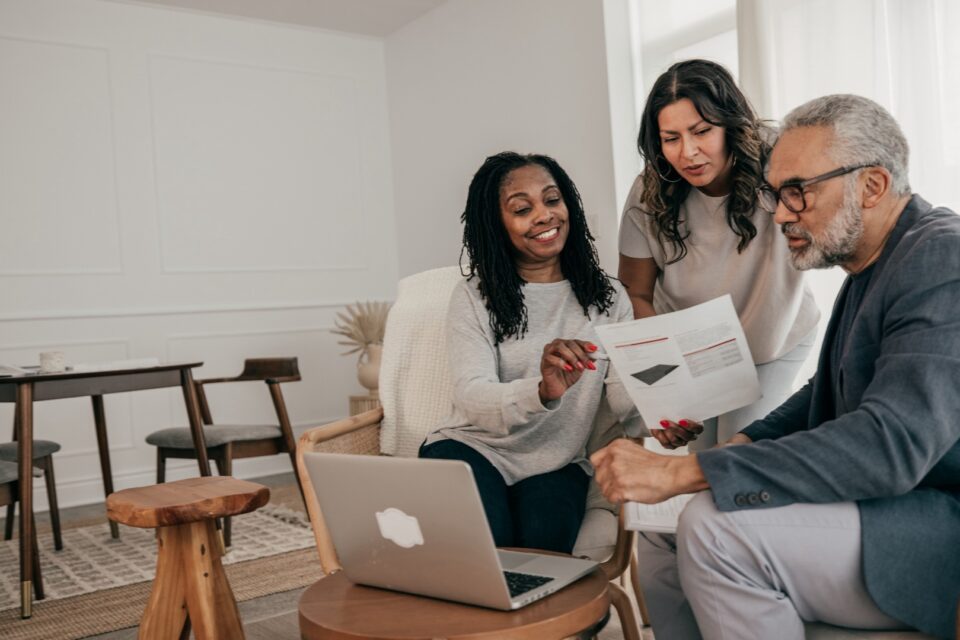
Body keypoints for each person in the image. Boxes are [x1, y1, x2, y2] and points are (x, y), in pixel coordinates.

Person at [591, 94, 960, 639]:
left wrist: (685, 471)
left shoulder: (940, 259)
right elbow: (823, 396)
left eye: (798, 192)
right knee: (663, 530)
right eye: (776, 193)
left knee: (712, 529)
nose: (781, 212)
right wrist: (731, 452)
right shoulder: (873, 267)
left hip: (927, 529)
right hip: (886, 507)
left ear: (873, 185)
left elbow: (891, 443)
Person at [419, 151, 697, 554]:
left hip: (556, 462)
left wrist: (661, 418)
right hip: (472, 448)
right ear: (496, 223)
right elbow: (471, 394)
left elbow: (621, 393)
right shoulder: (475, 297)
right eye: (521, 208)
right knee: (486, 548)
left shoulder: (609, 299)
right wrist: (542, 390)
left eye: (552, 200)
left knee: (544, 552)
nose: (545, 215)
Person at [618, 59, 820, 447]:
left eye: (702, 131)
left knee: (733, 458)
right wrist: (662, 390)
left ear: (729, 125)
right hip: (693, 353)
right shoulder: (649, 190)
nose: (688, 153)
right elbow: (636, 292)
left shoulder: (776, 158)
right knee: (704, 460)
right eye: (671, 138)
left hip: (771, 341)